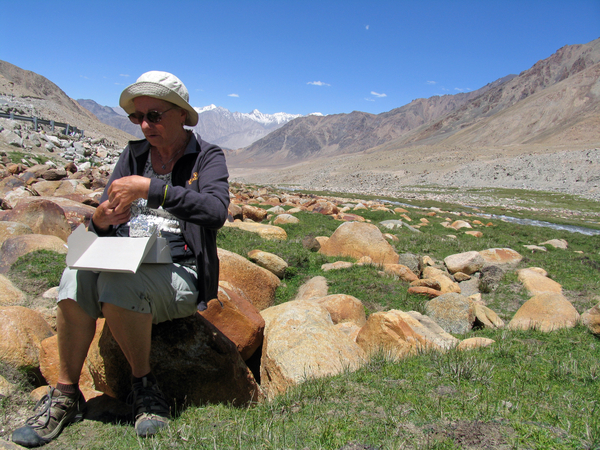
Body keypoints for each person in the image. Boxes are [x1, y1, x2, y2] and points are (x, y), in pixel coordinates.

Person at [12, 71, 230, 447]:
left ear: (181, 114)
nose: (145, 125)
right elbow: (102, 211)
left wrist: (153, 189)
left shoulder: (207, 157)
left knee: (117, 282)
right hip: (127, 256)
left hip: (180, 269)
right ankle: (66, 395)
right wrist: (100, 219)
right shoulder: (133, 154)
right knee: (73, 277)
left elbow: (215, 211)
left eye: (155, 115)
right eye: (137, 117)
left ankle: (144, 389)